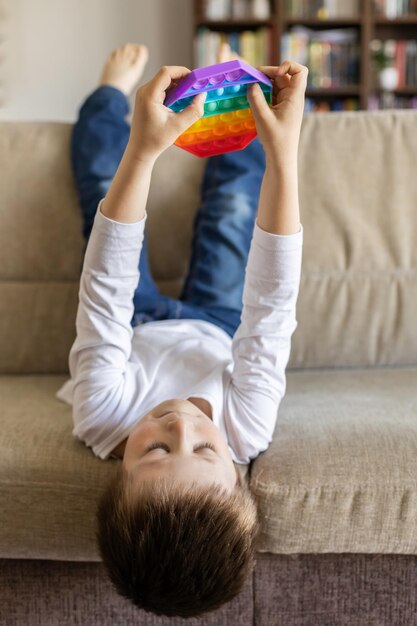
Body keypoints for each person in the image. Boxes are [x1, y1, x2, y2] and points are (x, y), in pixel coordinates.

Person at [57, 43, 307, 618]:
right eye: (205, 449)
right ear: (237, 469)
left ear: (118, 472)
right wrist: (283, 155)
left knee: (101, 182)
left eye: (156, 450)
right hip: (216, 324)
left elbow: (106, 291)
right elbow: (271, 303)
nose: (181, 424)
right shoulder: (248, 427)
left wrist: (143, 153)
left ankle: (106, 96)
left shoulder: (100, 413)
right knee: (231, 209)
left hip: (137, 323)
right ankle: (240, 87)